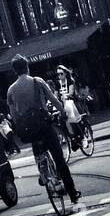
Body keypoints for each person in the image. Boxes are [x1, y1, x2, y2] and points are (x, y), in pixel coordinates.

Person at [6, 54, 80, 204]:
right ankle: (72, 192)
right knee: (59, 159)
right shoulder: (37, 81)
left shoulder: (11, 90)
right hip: (44, 125)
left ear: (15, 71)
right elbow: (53, 99)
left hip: (30, 130)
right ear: (27, 67)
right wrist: (63, 113)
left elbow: (14, 116)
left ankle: (44, 172)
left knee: (38, 150)